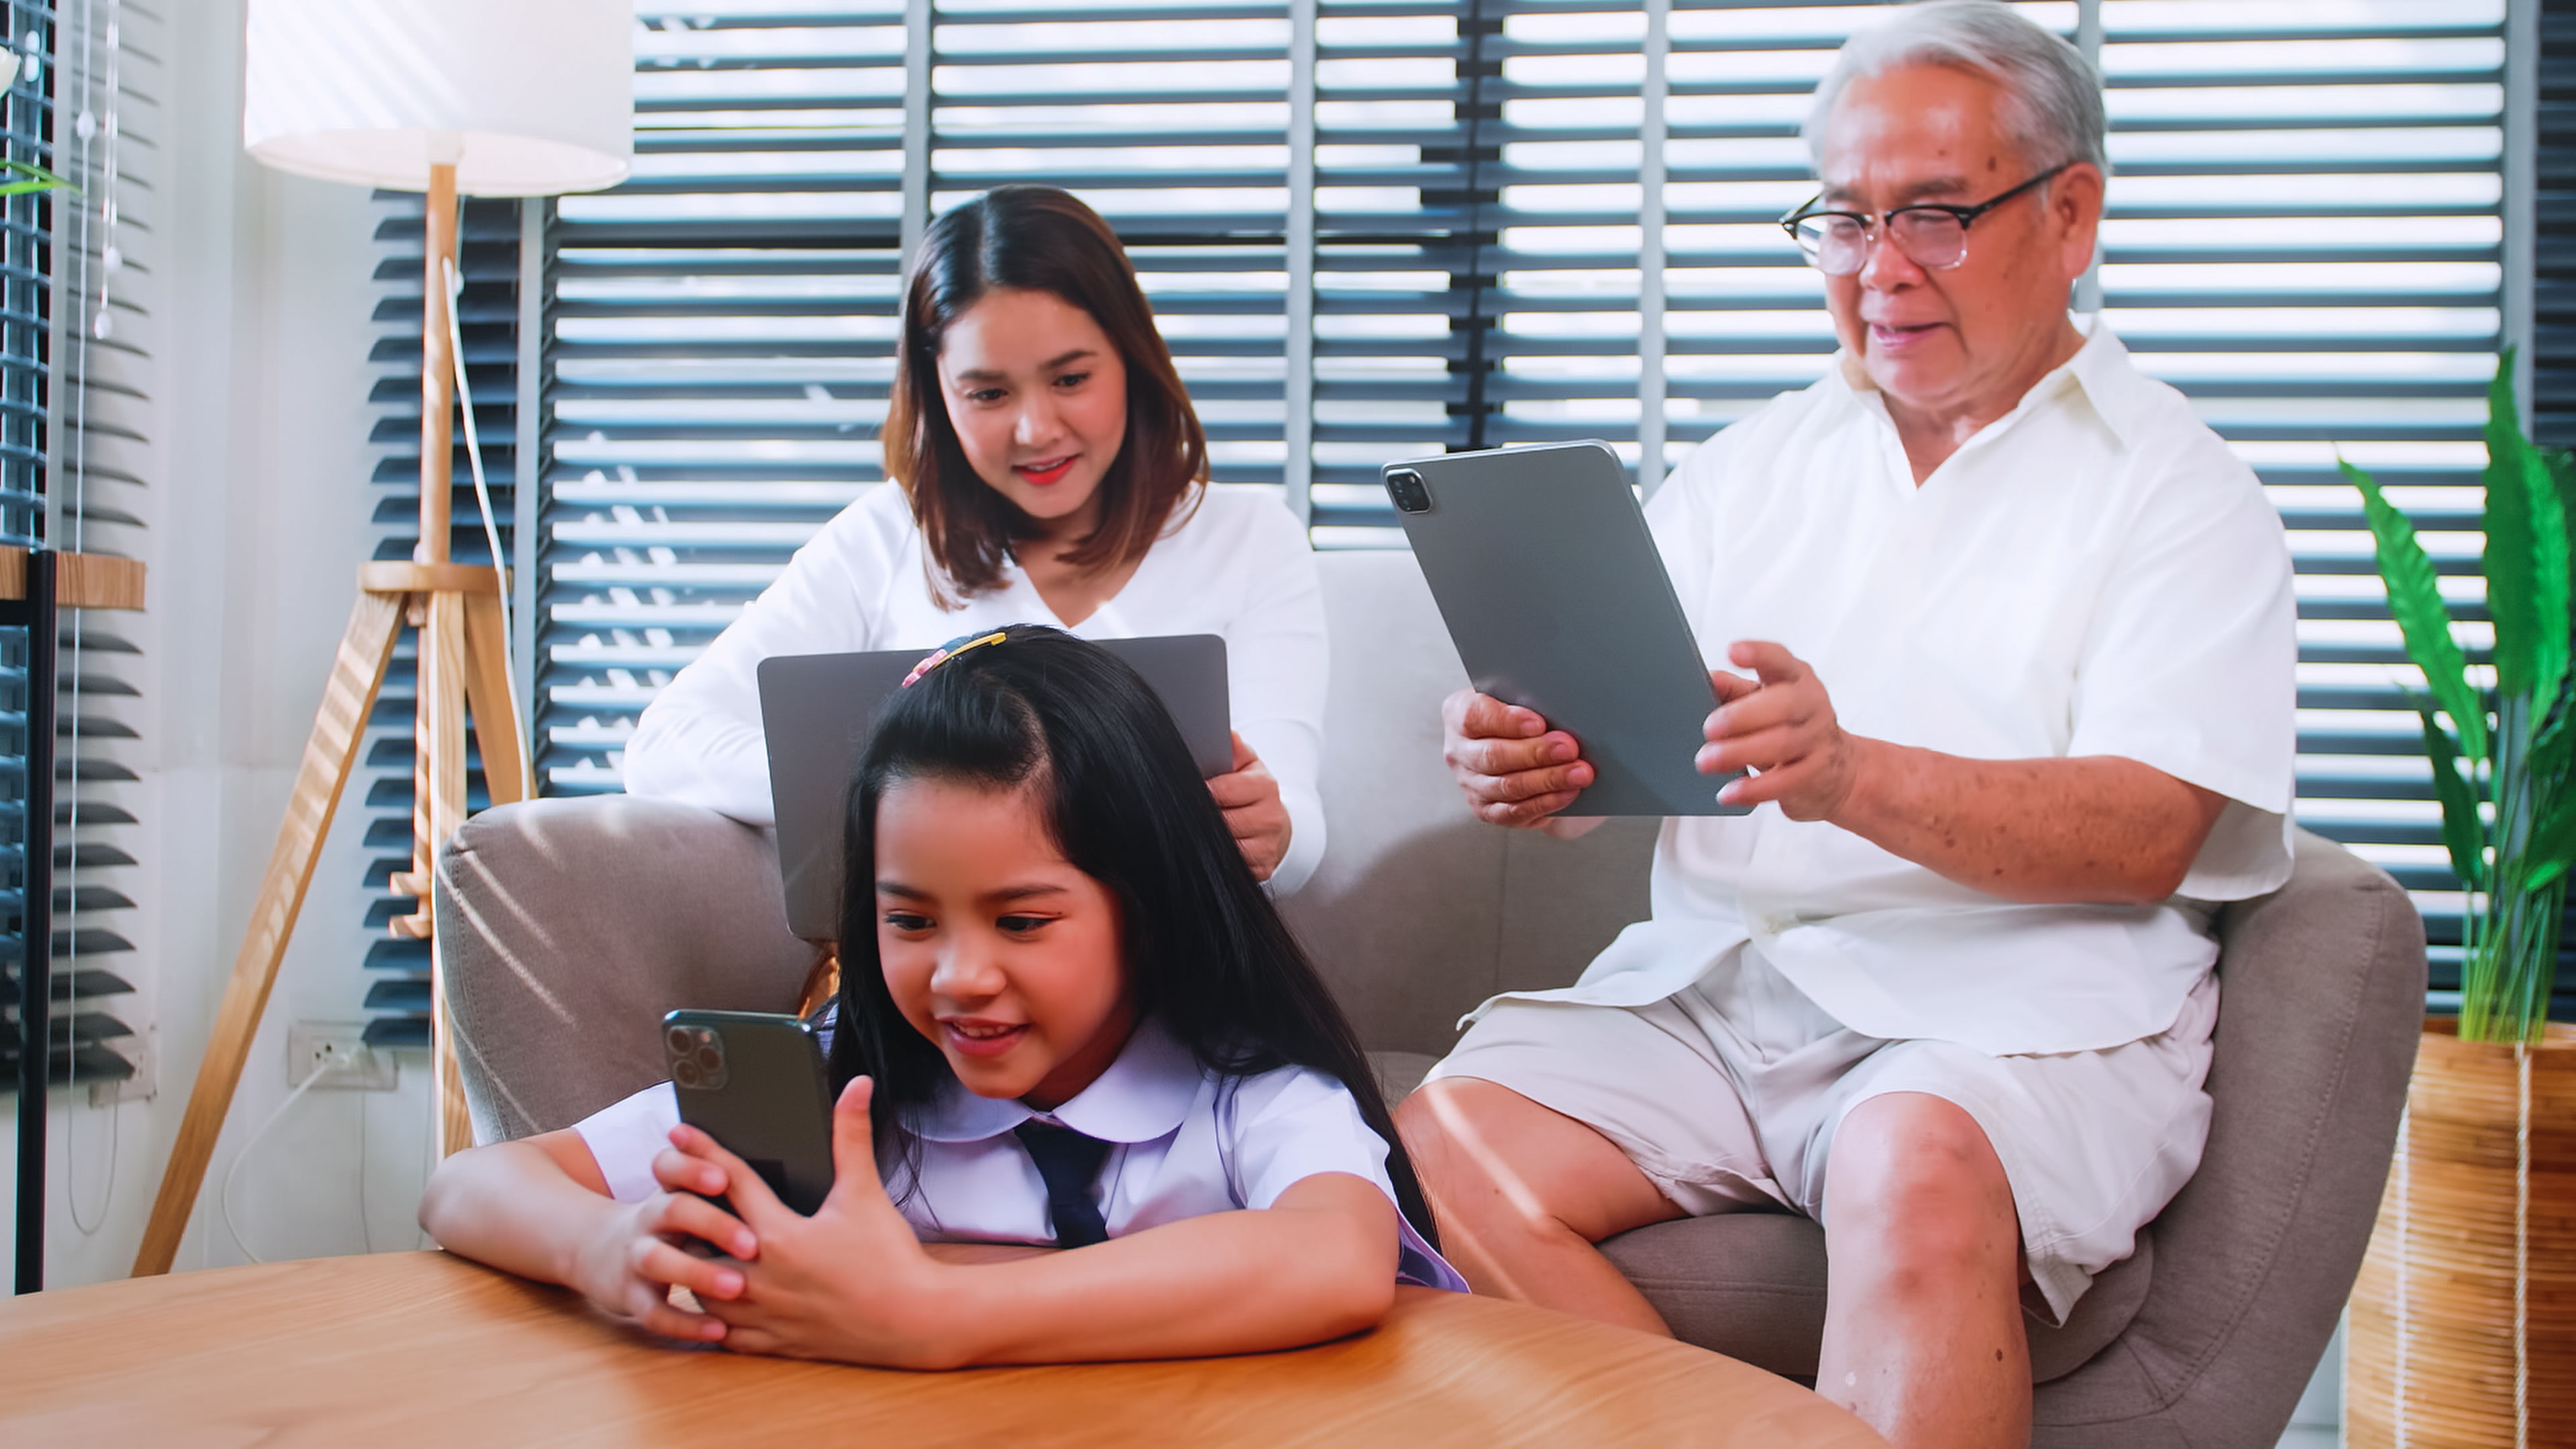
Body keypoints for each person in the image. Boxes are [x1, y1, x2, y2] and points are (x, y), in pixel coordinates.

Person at [1395, 4, 2294, 1446]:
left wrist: (1854, 777)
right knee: (1429, 1157)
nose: (1880, 271)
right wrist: (1528, 754)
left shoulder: (2182, 493)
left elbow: (2147, 835)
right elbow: (1616, 740)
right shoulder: (1756, 464)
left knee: (1911, 1161)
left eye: (1933, 218)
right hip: (1724, 989)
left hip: (2015, 1013)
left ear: (2072, 216)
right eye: (1846, 220)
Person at [421, 626, 1461, 1367]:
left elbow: (1337, 1255)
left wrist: (938, 1313)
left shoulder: (1248, 1095)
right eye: (910, 921)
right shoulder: (840, 1088)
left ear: (1148, 906)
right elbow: (470, 1187)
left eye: (1021, 921)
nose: (959, 977)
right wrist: (602, 1244)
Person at [622, 186, 1327, 892]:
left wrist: (1277, 832)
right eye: (988, 394)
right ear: (937, 393)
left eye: (1071, 378)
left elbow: (1292, 819)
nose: (1037, 430)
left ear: (1132, 360)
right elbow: (666, 745)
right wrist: (912, 783)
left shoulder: (1251, 537)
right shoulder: (885, 538)